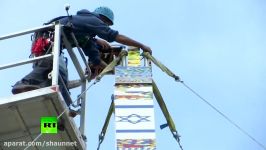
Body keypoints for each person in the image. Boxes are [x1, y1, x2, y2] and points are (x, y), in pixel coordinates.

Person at [11, 6, 152, 107]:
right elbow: (115, 36)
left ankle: (63, 113)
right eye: (106, 24)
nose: (104, 26)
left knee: (61, 80)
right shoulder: (93, 20)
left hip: (51, 44)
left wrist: (116, 73)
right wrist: (141, 46)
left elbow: (95, 58)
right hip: (47, 40)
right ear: (103, 19)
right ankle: (22, 85)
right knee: (52, 65)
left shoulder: (86, 36)